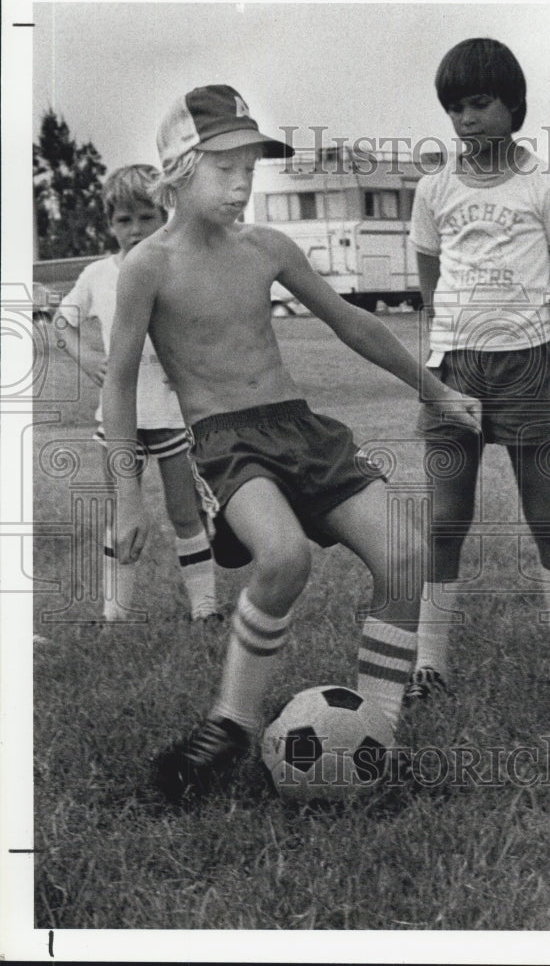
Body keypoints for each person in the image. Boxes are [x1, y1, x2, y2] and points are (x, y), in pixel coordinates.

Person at [101, 85, 481, 803]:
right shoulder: (147, 266)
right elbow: (119, 383)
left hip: (299, 427)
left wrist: (434, 389)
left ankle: (377, 728)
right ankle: (231, 723)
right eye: (225, 168)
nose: (243, 183)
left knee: (406, 555)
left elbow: (352, 323)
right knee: (283, 557)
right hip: (226, 441)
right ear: (179, 171)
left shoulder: (268, 247)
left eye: (250, 167)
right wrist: (127, 496)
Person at [406, 38, 550, 706]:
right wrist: (450, 353)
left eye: (479, 103)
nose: (466, 119)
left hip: (529, 370)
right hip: (454, 372)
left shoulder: (547, 186)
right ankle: (430, 662)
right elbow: (431, 285)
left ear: (514, 103)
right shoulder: (435, 187)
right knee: (445, 519)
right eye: (454, 107)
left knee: (549, 516)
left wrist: (549, 362)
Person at [57, 164, 219, 623]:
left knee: (184, 514)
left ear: (165, 214)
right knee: (122, 516)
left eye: (146, 217)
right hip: (119, 418)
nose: (135, 229)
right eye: (123, 220)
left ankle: (205, 607)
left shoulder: (180, 268)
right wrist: (87, 358)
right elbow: (63, 322)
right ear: (109, 224)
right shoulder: (96, 275)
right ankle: (116, 613)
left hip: (170, 414)